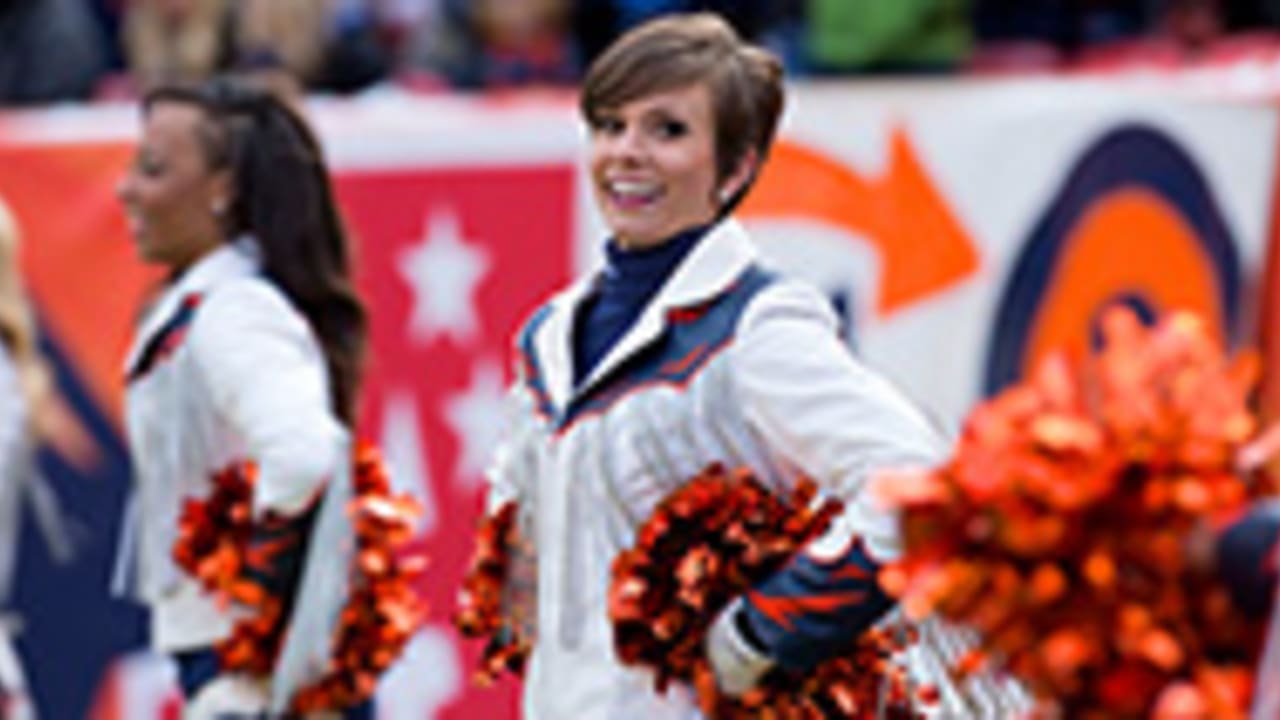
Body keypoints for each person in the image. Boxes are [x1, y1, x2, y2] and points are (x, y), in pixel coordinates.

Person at [484, 12, 1027, 718]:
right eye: (610, 125)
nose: (627, 152)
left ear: (737, 167)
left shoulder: (757, 325)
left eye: (667, 130)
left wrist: (763, 630)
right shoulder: (549, 334)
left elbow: (913, 477)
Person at [112, 76, 368, 717]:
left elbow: (307, 454)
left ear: (223, 189)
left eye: (153, 168)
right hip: (234, 657)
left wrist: (260, 620)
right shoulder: (202, 304)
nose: (126, 189)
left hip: (259, 668)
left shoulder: (235, 310)